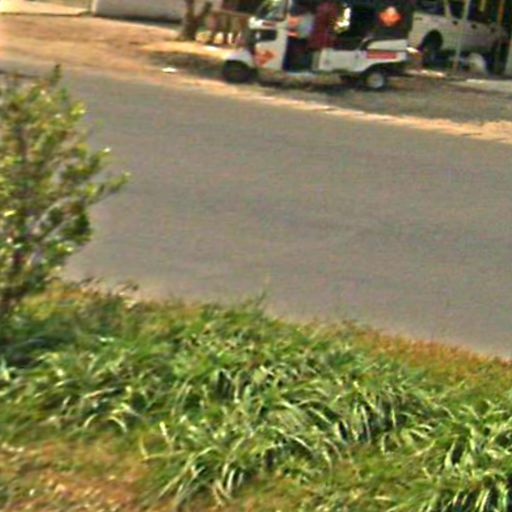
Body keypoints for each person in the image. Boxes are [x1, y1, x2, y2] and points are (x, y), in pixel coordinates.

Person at [308, 0, 340, 69]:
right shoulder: (331, 8)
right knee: (324, 53)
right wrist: (332, 34)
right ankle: (321, 68)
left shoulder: (320, 7)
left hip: (316, 34)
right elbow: (331, 22)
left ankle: (314, 67)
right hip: (324, 36)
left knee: (316, 52)